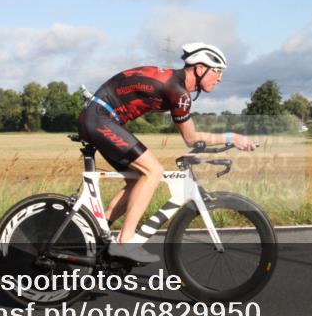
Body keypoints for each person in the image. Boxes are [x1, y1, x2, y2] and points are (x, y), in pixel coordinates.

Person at [77, 42, 256, 263]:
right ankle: (125, 243)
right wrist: (232, 138)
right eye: (217, 71)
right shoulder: (178, 91)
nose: (219, 78)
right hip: (100, 118)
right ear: (200, 69)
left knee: (137, 182)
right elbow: (190, 137)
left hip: (100, 116)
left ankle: (94, 234)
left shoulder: (176, 84)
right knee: (153, 171)